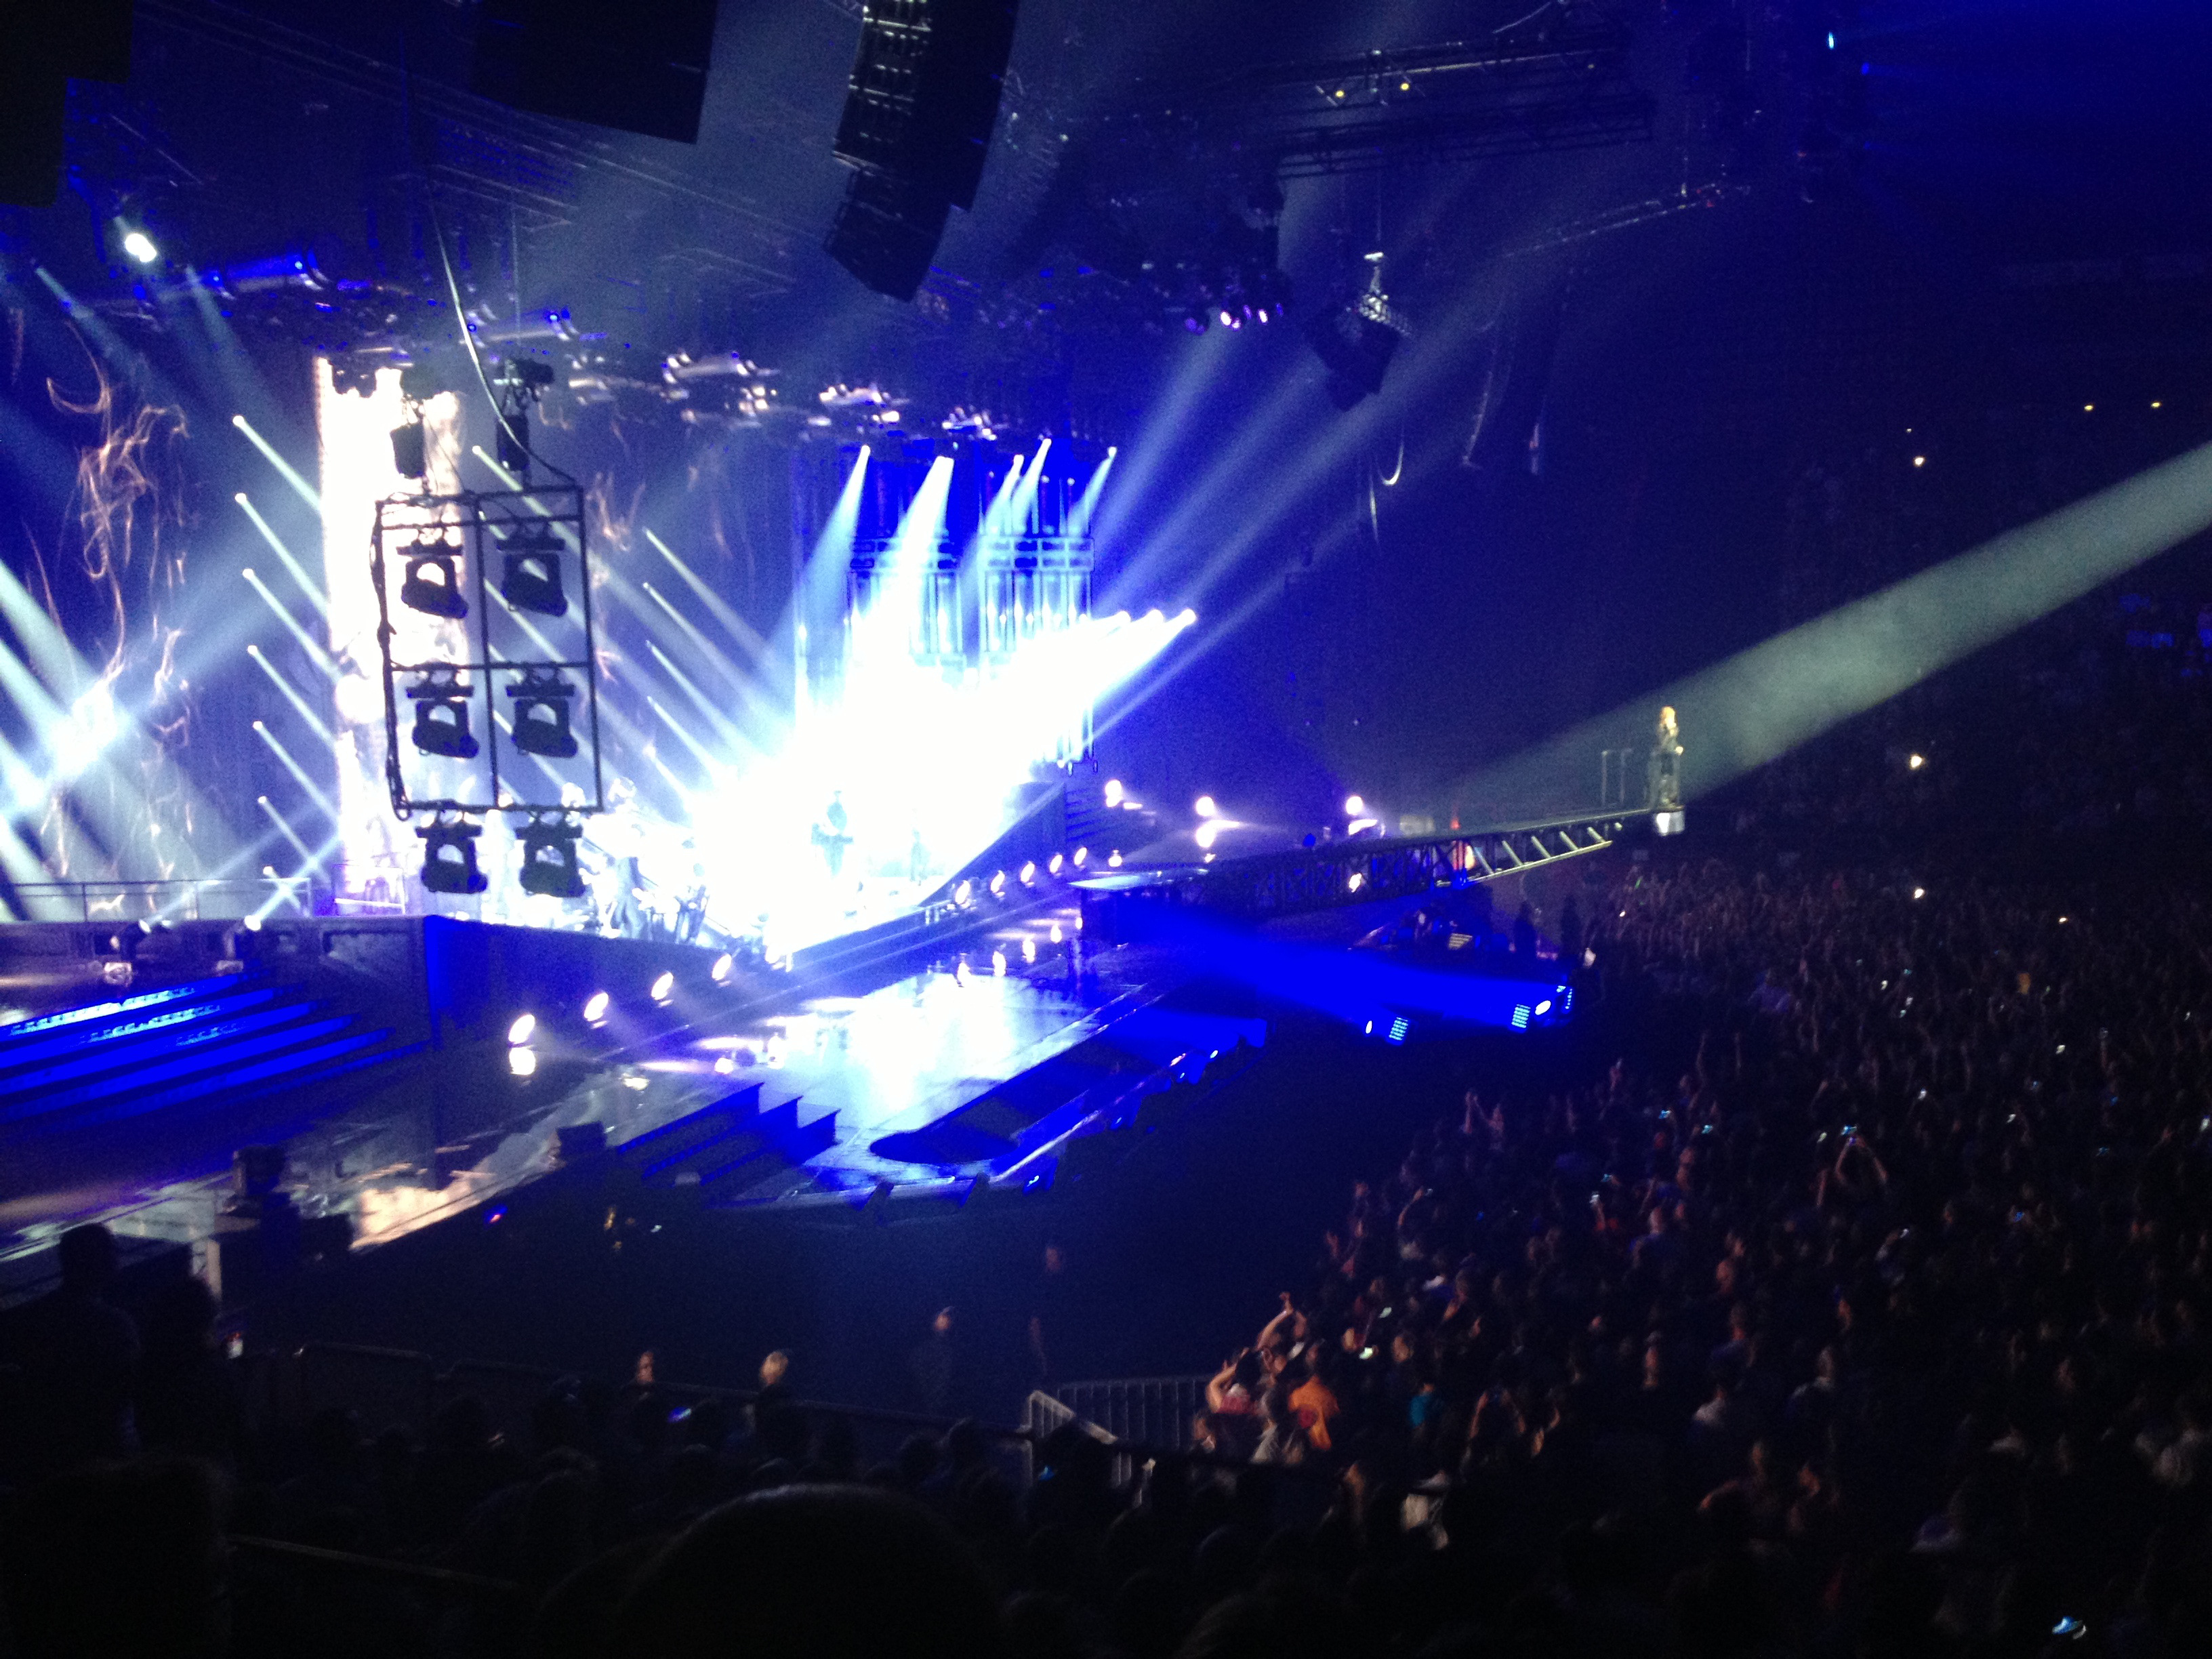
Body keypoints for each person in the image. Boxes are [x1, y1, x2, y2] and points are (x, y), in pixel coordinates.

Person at [1650, 704, 1685, 808]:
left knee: (1672, 778)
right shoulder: (1660, 729)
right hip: (1661, 758)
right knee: (1664, 779)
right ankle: (1662, 800)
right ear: (1665, 719)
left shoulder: (1673, 730)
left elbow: (1672, 743)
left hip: (1671, 756)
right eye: (1670, 718)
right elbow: (1663, 744)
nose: (1673, 720)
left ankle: (1672, 799)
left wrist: (1678, 747)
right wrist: (1670, 731)